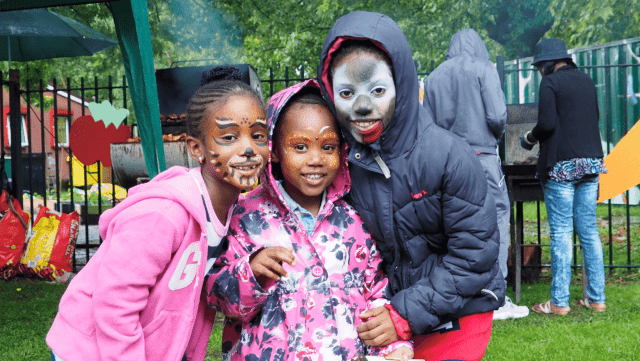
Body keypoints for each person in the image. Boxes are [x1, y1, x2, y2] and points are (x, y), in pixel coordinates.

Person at [46, 66, 270, 361]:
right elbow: (114, 302)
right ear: (196, 148)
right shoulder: (164, 215)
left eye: (258, 136)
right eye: (228, 138)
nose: (249, 149)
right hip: (89, 352)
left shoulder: (231, 212)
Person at [318, 11, 505, 361]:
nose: (361, 106)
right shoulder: (342, 163)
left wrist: (404, 314)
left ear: (400, 84)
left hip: (460, 312)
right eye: (346, 92)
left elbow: (474, 254)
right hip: (387, 318)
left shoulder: (449, 155)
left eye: (376, 90)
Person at [206, 80, 413, 361]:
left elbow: (376, 293)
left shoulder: (353, 221)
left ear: (342, 152)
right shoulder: (246, 218)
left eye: (328, 147)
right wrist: (250, 272)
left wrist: (389, 346)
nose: (316, 159)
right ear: (274, 151)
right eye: (300, 147)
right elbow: (219, 297)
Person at [423, 28, 529, 320]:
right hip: (482, 157)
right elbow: (497, 116)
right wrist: (494, 137)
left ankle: (460, 298)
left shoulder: (433, 77)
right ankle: (495, 298)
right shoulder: (484, 68)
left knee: (452, 227)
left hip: (446, 163)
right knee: (495, 221)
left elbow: (427, 128)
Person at [520, 38, 607, 315]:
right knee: (589, 232)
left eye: (539, 67)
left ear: (547, 64)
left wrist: (529, 138)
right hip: (591, 162)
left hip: (562, 167)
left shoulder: (550, 83)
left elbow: (546, 124)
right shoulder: (586, 80)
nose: (539, 72)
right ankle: (597, 299)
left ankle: (559, 302)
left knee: (561, 233)